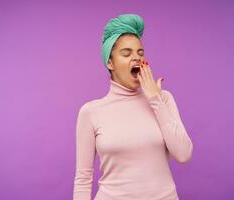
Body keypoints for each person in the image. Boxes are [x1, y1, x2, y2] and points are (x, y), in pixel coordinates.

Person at [73, 13, 193, 200]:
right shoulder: (91, 112)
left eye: (140, 53)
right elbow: (83, 179)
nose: (136, 58)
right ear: (110, 62)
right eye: (126, 53)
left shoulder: (164, 99)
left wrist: (155, 100)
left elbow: (184, 154)